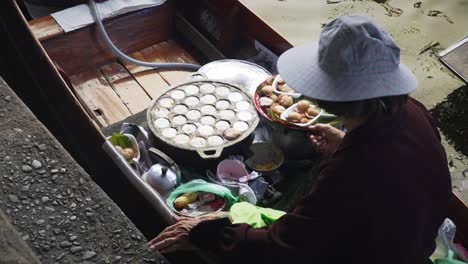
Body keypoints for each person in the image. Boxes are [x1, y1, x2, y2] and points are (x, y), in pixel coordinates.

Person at [147, 15, 451, 264]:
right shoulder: (413, 112)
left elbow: (287, 247)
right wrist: (343, 145)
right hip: (410, 243)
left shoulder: (349, 177)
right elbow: (389, 173)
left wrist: (207, 234)